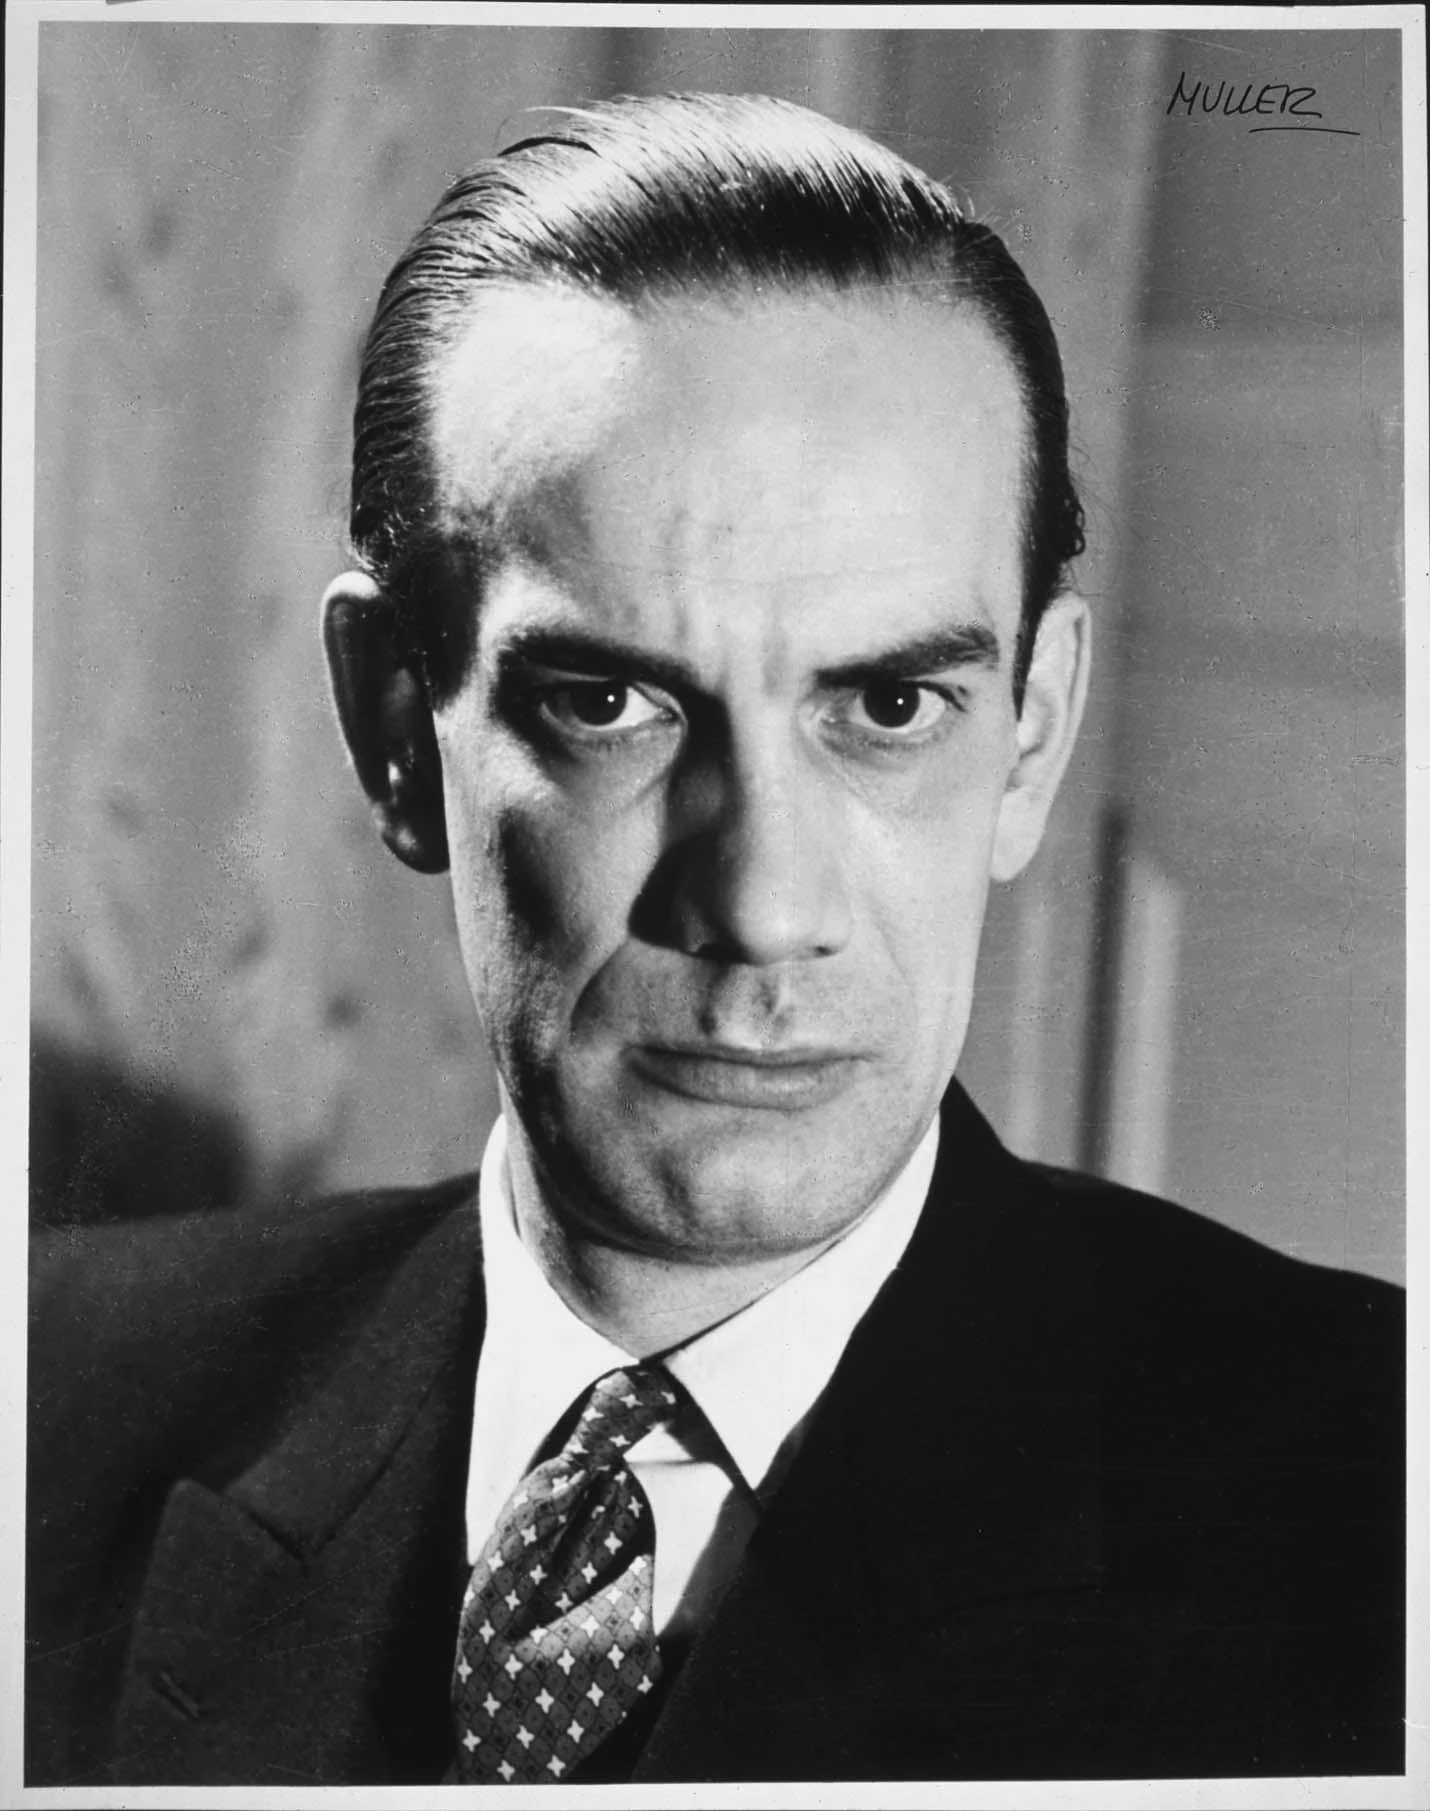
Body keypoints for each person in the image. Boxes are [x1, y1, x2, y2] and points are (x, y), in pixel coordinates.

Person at [26, 93, 1404, 1787]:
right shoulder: (50, 1396)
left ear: (1031, 734)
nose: (758, 905)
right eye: (608, 705)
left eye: (887, 706)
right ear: (393, 724)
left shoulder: (1372, 1519)